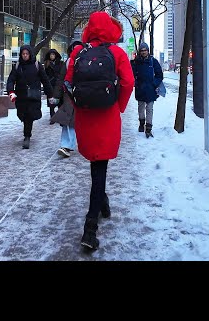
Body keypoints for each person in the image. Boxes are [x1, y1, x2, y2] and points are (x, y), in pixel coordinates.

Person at [65, 13, 134, 250]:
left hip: (86, 117)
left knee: (96, 166)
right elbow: (127, 83)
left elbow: (67, 83)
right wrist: (119, 106)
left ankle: (103, 204)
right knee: (100, 167)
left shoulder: (78, 53)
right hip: (108, 117)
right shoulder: (117, 53)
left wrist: (79, 107)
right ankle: (90, 228)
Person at [6, 44, 54, 149]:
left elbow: (45, 81)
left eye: (27, 53)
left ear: (30, 54)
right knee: (22, 115)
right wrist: (10, 91)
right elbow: (11, 80)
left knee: (29, 116)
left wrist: (50, 95)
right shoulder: (18, 66)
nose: (25, 55)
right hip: (21, 96)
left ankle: (27, 136)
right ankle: (27, 132)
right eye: (23, 54)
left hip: (33, 96)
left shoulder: (37, 65)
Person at [51, 41, 82, 157]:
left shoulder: (87, 62)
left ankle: (88, 144)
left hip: (84, 95)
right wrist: (56, 95)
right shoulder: (68, 62)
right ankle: (66, 146)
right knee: (67, 121)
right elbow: (60, 79)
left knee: (85, 121)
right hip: (69, 95)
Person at [132, 42, 164, 138]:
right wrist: (136, 83)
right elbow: (132, 75)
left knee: (149, 109)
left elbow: (159, 75)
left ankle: (149, 128)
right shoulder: (136, 62)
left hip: (151, 89)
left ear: (148, 50)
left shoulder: (153, 61)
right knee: (141, 108)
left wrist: (154, 83)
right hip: (140, 89)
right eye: (141, 50)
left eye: (145, 50)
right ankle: (142, 124)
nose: (143, 52)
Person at [43, 48, 63, 118]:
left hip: (59, 84)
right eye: (50, 55)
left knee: (60, 100)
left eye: (53, 54)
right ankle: (52, 115)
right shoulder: (47, 64)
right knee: (51, 101)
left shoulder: (61, 63)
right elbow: (45, 75)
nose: (52, 56)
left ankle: (59, 115)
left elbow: (62, 73)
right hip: (50, 85)